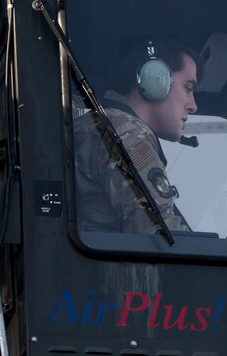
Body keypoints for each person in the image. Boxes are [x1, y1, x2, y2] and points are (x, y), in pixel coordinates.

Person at [72, 37, 198, 235]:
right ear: (155, 79)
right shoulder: (127, 132)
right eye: (188, 88)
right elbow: (159, 235)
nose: (193, 106)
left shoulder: (104, 125)